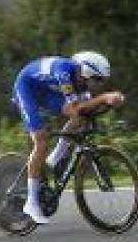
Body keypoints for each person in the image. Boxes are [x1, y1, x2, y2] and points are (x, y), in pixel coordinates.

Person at [12, 52, 124, 224]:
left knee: (82, 120)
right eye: (98, 79)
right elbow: (77, 107)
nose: (99, 85)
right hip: (26, 87)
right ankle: (31, 203)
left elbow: (85, 112)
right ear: (86, 73)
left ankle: (54, 158)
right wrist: (103, 98)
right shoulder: (64, 71)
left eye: (102, 81)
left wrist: (109, 103)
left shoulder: (83, 82)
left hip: (46, 91)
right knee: (41, 141)